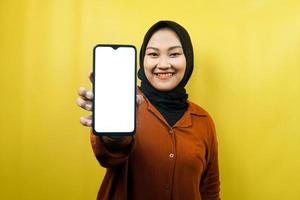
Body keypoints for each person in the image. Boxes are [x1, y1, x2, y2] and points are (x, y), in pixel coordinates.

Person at [76, 20, 220, 200]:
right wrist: (115, 136)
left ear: (188, 59)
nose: (163, 64)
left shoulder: (203, 120)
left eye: (174, 54)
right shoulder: (123, 101)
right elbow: (109, 156)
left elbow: (209, 190)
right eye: (153, 54)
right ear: (142, 60)